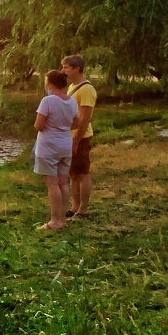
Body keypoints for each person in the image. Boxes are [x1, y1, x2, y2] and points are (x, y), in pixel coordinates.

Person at [34, 69, 81, 230]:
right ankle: (62, 219)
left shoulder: (47, 101)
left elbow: (39, 125)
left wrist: (50, 126)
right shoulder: (72, 101)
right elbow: (76, 123)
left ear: (50, 83)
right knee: (63, 183)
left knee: (52, 184)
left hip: (48, 147)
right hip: (65, 145)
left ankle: (54, 221)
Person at [61, 54, 96, 218]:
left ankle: (84, 209)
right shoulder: (72, 86)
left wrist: (76, 140)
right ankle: (74, 206)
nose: (63, 71)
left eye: (65, 67)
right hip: (71, 136)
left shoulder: (87, 89)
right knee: (73, 173)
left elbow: (86, 117)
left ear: (76, 68)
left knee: (83, 172)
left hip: (80, 137)